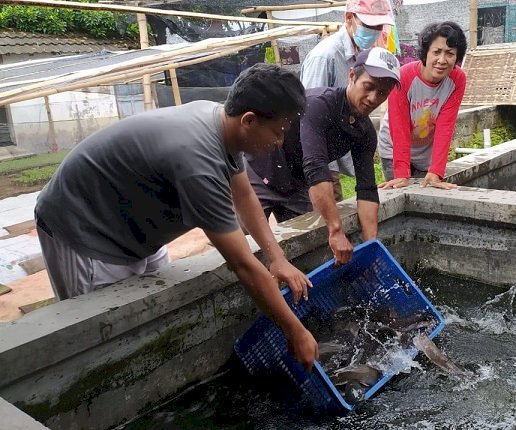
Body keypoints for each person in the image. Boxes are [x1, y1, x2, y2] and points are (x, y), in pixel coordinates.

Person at [34, 64, 318, 371]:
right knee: (100, 338)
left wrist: (277, 259)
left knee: (154, 318)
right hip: (82, 229)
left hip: (134, 224)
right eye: (278, 132)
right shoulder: (197, 160)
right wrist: (295, 331)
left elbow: (244, 195)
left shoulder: (222, 124)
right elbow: (243, 266)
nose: (279, 142)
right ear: (249, 120)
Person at [246, 47, 400, 265]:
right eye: (369, 87)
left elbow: (366, 190)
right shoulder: (319, 104)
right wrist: (336, 230)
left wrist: (371, 247)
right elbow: (316, 167)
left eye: (383, 93)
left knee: (303, 255)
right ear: (351, 76)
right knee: (244, 248)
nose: (373, 98)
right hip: (259, 173)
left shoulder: (364, 132)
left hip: (296, 185)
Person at [300, 0, 395, 201]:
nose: (374, 31)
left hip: (334, 150)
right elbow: (309, 118)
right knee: (325, 218)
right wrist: (325, 172)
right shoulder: (324, 57)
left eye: (378, 27)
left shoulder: (363, 54)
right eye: (368, 26)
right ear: (349, 18)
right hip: (316, 157)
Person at [377, 21, 467, 190]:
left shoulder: (457, 80)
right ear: (425, 53)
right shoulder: (403, 76)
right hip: (394, 148)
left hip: (426, 151)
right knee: (400, 192)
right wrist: (402, 173)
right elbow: (399, 126)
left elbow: (446, 126)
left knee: (428, 193)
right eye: (437, 52)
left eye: (450, 53)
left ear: (457, 57)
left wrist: (436, 170)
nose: (442, 60)